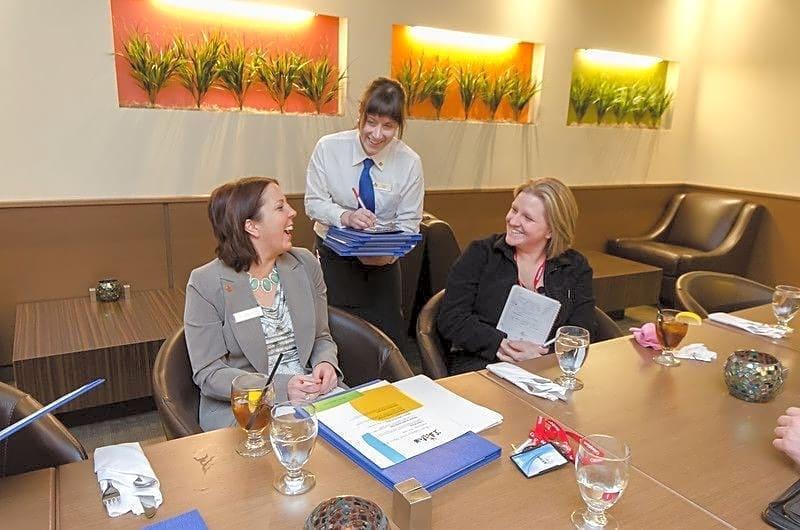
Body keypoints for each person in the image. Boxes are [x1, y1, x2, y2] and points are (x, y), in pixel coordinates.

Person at [185, 177, 341, 431]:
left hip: (311, 390)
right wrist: (280, 388)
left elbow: (322, 337)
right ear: (252, 227)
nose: (293, 212)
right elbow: (209, 373)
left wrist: (326, 363)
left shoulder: (305, 264)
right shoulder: (205, 282)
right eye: (280, 207)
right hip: (246, 404)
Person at [305, 77, 424, 356]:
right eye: (371, 122)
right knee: (335, 341)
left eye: (388, 126)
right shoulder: (329, 148)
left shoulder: (409, 162)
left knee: (385, 346)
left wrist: (387, 256)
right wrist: (345, 216)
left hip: (384, 265)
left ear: (399, 126)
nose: (377, 134)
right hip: (334, 260)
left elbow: (409, 224)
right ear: (360, 116)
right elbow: (314, 203)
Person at [437, 177, 596, 375]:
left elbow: (582, 328)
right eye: (513, 209)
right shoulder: (481, 254)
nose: (512, 220)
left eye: (527, 218)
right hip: (483, 365)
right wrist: (499, 344)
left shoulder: (575, 266)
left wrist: (543, 354)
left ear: (552, 231)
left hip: (549, 368)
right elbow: (451, 319)